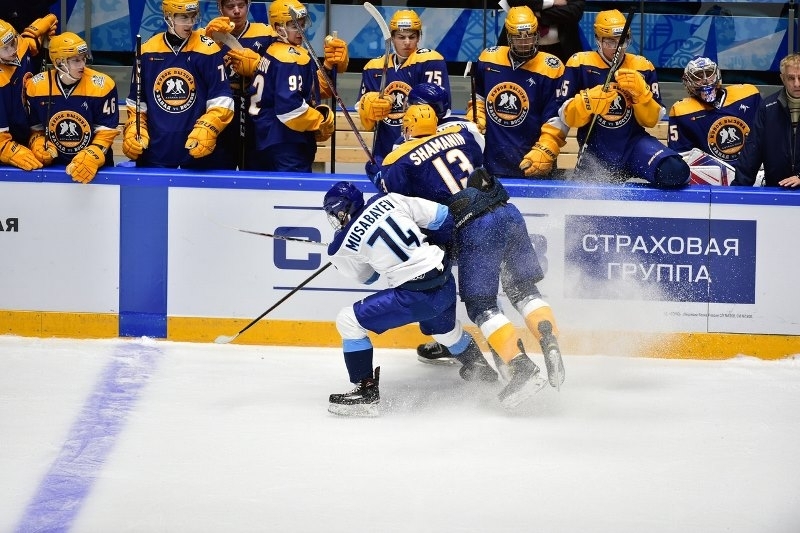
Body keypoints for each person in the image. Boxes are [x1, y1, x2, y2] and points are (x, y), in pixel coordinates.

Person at [381, 104, 566, 409]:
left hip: (474, 226)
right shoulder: (462, 133)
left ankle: (521, 367)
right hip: (507, 211)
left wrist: (378, 176)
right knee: (523, 290)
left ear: (409, 127)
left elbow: (395, 203)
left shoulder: (397, 160)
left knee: (482, 305)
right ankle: (548, 339)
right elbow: (474, 160)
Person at [323, 181, 497, 417]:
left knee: (348, 320)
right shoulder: (387, 199)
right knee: (445, 332)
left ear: (341, 211)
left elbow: (368, 278)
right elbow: (443, 216)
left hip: (414, 296)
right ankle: (480, 368)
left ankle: (365, 391)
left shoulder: (339, 245)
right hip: (444, 280)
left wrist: (353, 257)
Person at [558, 9, 690, 187]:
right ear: (598, 39)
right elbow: (565, 115)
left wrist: (643, 95)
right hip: (595, 149)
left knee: (675, 171)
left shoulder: (642, 66)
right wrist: (585, 102)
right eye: (609, 42)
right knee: (590, 197)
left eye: (622, 41)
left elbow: (652, 120)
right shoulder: (579, 63)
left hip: (634, 145)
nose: (617, 48)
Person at [121, 0, 235, 169]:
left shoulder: (208, 49)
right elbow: (137, 101)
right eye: (183, 17)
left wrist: (209, 127)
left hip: (197, 150)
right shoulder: (146, 50)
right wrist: (135, 127)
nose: (189, 23)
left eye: (193, 17)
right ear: (168, 17)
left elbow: (222, 99)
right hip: (156, 151)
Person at [468, 6, 568, 179]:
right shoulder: (489, 58)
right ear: (508, 36)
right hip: (491, 163)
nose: (524, 42)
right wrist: (476, 117)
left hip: (532, 162)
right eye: (518, 37)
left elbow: (557, 118)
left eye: (529, 36)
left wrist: (546, 148)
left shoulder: (552, 68)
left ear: (537, 34)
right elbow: (479, 98)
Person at [246, 0, 345, 172]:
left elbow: (310, 88)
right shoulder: (290, 57)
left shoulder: (272, 51)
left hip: (267, 138)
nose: (301, 30)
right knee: (293, 188)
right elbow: (290, 109)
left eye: (302, 23)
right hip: (287, 142)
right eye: (294, 25)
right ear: (278, 28)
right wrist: (320, 121)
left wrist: (328, 66)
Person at [357, 8, 450, 167]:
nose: (407, 42)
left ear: (419, 37)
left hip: (421, 154)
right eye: (401, 37)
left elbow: (441, 111)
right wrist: (369, 106)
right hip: (384, 151)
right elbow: (366, 122)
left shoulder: (429, 61)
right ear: (392, 38)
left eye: (411, 37)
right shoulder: (374, 67)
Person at [25, 32, 119, 183]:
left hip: (96, 170)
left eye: (83, 59)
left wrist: (93, 154)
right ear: (59, 62)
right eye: (76, 60)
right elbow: (35, 128)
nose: (82, 65)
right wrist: (37, 142)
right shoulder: (36, 86)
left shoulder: (102, 85)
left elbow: (106, 131)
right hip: (54, 167)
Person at [202, 0, 279, 169]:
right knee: (220, 171)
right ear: (220, 8)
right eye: (230, 6)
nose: (237, 11)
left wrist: (258, 68)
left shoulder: (267, 34)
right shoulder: (207, 35)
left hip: (256, 115)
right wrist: (206, 44)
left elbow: (282, 73)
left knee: (256, 172)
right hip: (221, 113)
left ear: (248, 5)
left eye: (241, 6)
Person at [668, 57, 760, 185]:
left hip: (754, 171)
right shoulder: (682, 111)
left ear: (717, 74)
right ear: (688, 82)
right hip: (713, 179)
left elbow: (768, 135)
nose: (705, 80)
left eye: (709, 73)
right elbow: (682, 157)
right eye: (698, 76)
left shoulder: (748, 95)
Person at [732, 53, 800, 188]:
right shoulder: (768, 108)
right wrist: (738, 190)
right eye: (791, 78)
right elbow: (752, 151)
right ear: (782, 78)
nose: (797, 83)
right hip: (776, 190)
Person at [0, 15, 57, 171]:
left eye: (13, 42)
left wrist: (38, 33)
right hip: (10, 138)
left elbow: (29, 44)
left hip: (29, 127)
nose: (13, 50)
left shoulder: (20, 45)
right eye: (5, 48)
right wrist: (5, 148)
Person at [497, 0, 586, 63]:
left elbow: (574, 12)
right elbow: (515, 2)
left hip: (563, 49)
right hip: (520, 46)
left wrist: (538, 13)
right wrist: (552, 2)